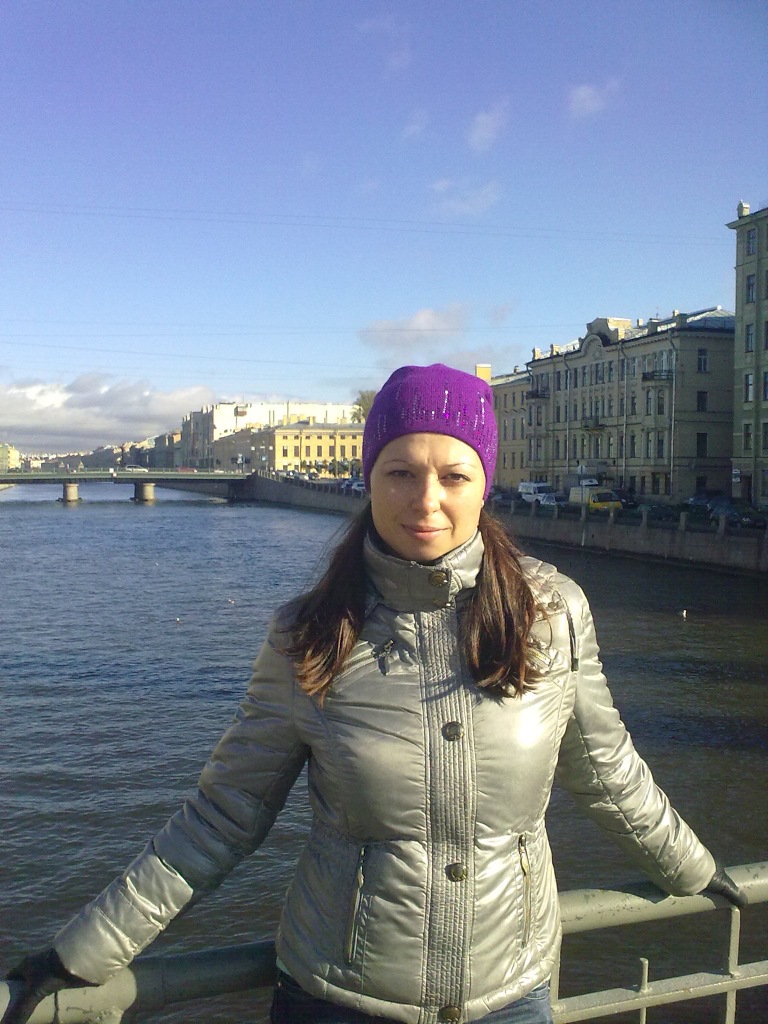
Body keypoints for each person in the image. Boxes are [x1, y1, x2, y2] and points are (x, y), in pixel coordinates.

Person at [3, 364, 746, 1024]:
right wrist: (82, 951)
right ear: (370, 478)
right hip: (338, 996)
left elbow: (607, 769)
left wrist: (694, 869)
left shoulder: (552, 614)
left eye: (453, 475)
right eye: (400, 472)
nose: (426, 500)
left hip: (511, 994)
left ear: (484, 483)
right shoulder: (308, 634)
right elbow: (224, 815)